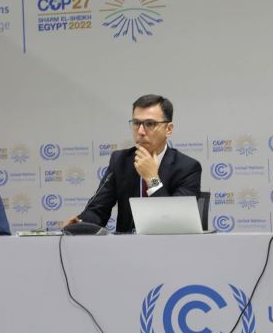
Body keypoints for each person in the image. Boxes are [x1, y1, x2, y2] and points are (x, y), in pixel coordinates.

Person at [66, 94, 202, 233]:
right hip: (126, 249)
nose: (141, 131)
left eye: (150, 124)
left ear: (168, 129)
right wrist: (81, 223)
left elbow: (176, 223)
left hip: (169, 249)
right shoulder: (120, 161)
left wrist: (152, 179)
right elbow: (98, 210)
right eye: (136, 123)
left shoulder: (187, 167)